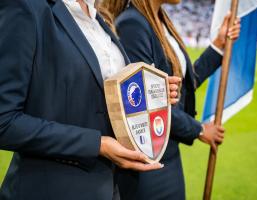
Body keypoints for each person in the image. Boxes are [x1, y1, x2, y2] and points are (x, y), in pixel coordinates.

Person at [0, 0, 181, 199]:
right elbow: (5, 122)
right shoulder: (26, 6)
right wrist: (97, 145)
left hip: (107, 187)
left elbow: (92, 95)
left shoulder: (97, 17)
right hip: (52, 189)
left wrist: (151, 92)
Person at [99, 0, 241, 199]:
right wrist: (198, 129)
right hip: (147, 162)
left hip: (167, 154)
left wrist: (218, 46)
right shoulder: (133, 24)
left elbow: (178, 87)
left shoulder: (159, 20)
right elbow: (145, 104)